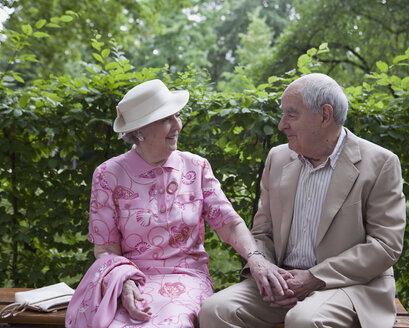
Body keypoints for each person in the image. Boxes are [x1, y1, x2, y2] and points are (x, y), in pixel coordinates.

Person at [66, 80, 283, 328]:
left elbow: (230, 224)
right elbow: (105, 250)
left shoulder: (196, 167)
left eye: (177, 116)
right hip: (131, 280)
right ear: (139, 131)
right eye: (166, 119)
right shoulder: (108, 175)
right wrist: (125, 283)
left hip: (187, 278)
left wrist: (255, 258)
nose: (178, 125)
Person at [199, 73, 406, 328]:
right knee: (215, 311)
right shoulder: (278, 158)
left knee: (304, 320)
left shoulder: (380, 163)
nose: (281, 125)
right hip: (284, 280)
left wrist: (314, 277)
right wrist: (265, 268)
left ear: (325, 116)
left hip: (349, 285)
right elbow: (263, 232)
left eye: (291, 115)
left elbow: (386, 246)